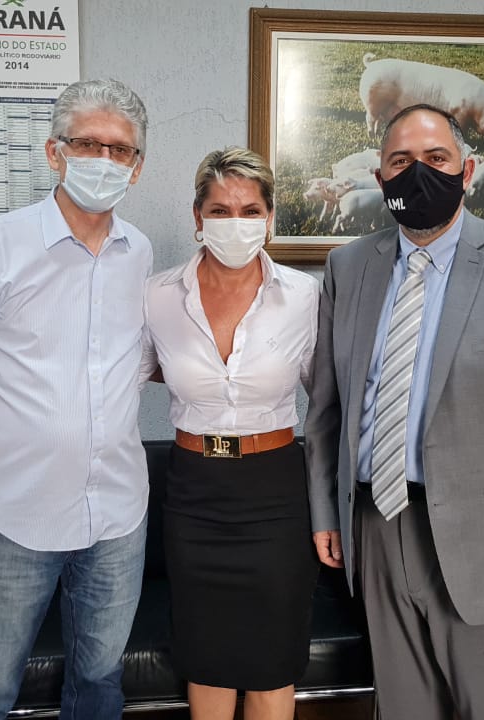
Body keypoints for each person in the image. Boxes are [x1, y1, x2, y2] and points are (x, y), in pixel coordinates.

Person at [304, 104, 484, 720]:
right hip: (376, 526)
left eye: (436, 158)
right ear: (380, 178)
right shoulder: (348, 266)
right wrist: (327, 511)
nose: (418, 173)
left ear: (467, 171)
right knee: (403, 708)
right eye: (400, 162)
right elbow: (327, 408)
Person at [0, 78, 152, 720]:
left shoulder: (139, 253)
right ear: (55, 152)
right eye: (88, 144)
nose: (104, 160)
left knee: (99, 684)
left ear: (136, 167)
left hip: (117, 518)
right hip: (10, 521)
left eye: (120, 150)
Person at [139, 147, 318, 720]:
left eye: (249, 210)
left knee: (271, 662)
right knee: (207, 658)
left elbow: (330, 399)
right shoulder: (157, 296)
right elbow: (125, 376)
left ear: (269, 218)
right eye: (219, 210)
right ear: (197, 217)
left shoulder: (305, 296)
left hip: (275, 494)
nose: (234, 222)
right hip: (194, 493)